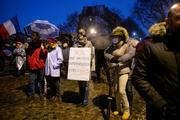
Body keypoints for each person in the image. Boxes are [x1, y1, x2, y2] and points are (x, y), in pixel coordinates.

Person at [131, 3, 180, 120]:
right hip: (162, 115)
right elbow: (138, 77)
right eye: (179, 18)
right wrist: (161, 105)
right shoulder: (151, 46)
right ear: (167, 22)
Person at [104, 26, 136, 120]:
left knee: (122, 91)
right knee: (116, 91)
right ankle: (119, 108)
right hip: (115, 71)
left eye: (116, 37)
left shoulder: (127, 46)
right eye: (113, 37)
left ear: (121, 38)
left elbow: (129, 57)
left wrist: (117, 63)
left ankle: (127, 111)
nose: (114, 39)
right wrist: (112, 58)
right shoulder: (112, 47)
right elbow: (105, 53)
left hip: (124, 71)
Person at [73, 28, 94, 106]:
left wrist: (87, 61)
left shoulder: (89, 43)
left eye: (81, 33)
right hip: (78, 67)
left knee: (85, 84)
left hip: (85, 67)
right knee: (80, 84)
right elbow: (73, 54)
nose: (79, 35)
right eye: (78, 33)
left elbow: (92, 55)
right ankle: (80, 99)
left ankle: (85, 101)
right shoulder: (75, 44)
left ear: (84, 34)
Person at [26, 31, 47, 99]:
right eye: (32, 35)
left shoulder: (42, 44)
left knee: (40, 81)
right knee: (31, 81)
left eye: (34, 35)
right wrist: (29, 63)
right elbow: (28, 55)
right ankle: (31, 94)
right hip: (32, 67)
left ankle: (41, 93)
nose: (32, 37)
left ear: (38, 36)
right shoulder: (29, 45)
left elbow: (44, 55)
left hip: (40, 66)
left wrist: (43, 49)